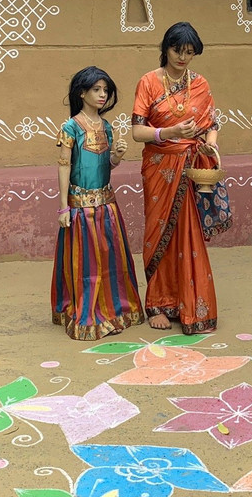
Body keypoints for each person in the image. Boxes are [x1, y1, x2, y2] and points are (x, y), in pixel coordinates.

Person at [131, 22, 222, 334]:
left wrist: (211, 142)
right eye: (177, 50)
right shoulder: (148, 82)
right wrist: (168, 132)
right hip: (159, 167)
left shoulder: (201, 84)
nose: (183, 57)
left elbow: (212, 123)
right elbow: (136, 131)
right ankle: (157, 303)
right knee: (159, 234)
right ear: (165, 48)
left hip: (192, 167)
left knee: (189, 236)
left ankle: (190, 304)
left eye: (189, 52)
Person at [53, 67, 144, 340]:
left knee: (111, 262)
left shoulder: (106, 126)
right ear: (82, 92)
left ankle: (116, 310)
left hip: (107, 206)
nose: (103, 95)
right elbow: (63, 166)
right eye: (97, 90)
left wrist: (116, 156)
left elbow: (108, 166)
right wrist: (63, 207)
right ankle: (87, 315)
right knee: (86, 266)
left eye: (106, 90)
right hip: (80, 209)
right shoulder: (70, 127)